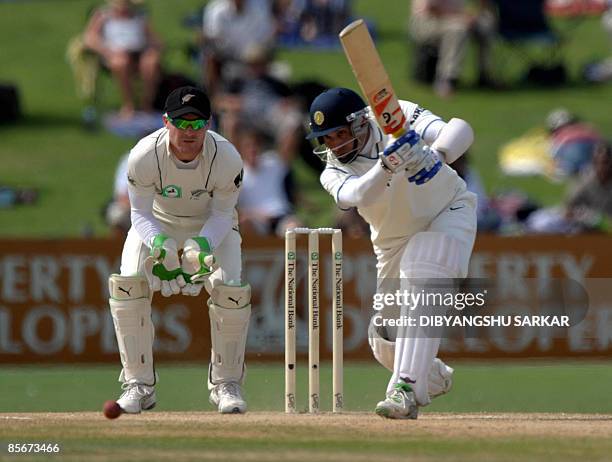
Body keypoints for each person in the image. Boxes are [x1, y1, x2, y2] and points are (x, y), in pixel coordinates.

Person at [307, 87, 477, 419]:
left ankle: (405, 390)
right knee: (384, 337)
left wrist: (436, 155)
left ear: (358, 124)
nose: (333, 145)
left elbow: (461, 129)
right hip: (392, 241)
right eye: (326, 139)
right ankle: (431, 375)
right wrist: (389, 164)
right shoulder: (333, 171)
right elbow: (356, 194)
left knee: (424, 265)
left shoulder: (392, 113)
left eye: (339, 134)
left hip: (448, 209)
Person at [108, 86, 251, 415]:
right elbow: (139, 214)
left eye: (197, 124)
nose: (189, 132)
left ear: (208, 125)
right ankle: (138, 385)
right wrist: (161, 245)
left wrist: (200, 247)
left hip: (213, 227)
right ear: (165, 122)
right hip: (157, 223)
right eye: (182, 123)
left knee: (231, 292)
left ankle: (227, 383)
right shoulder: (144, 155)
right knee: (127, 285)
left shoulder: (227, 157)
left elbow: (222, 215)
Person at [84, 0, 162, 117]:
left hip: (139, 53)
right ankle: (128, 105)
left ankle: (146, 105)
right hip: (115, 55)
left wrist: (153, 49)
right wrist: (107, 51)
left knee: (151, 62)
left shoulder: (140, 16)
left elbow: (154, 39)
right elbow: (90, 38)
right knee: (121, 62)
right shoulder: (103, 16)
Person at [409, 0, 496, 97]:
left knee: (485, 24)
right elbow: (431, 9)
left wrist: (474, 14)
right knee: (457, 29)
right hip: (427, 22)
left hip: (455, 18)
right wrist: (461, 18)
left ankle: (485, 74)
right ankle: (446, 79)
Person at [235, 124, 301, 236]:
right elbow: (234, 209)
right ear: (241, 149)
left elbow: (289, 146)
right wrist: (256, 215)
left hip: (280, 217)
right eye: (248, 146)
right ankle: (252, 254)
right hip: (255, 221)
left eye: (255, 145)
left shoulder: (273, 162)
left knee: (295, 227)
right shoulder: (237, 174)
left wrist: (296, 126)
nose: (252, 149)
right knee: (244, 223)